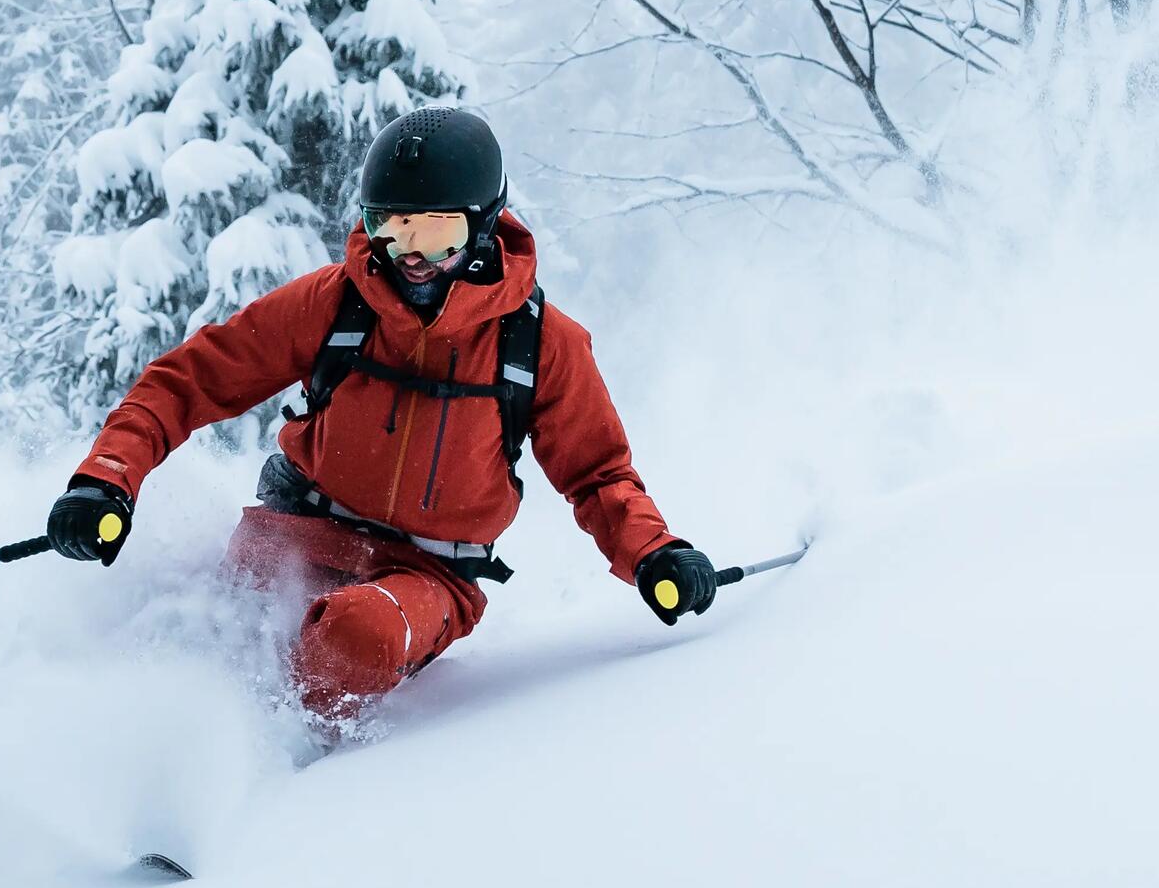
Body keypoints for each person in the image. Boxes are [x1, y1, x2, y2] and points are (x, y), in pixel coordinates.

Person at [46, 106, 716, 725]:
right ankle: (133, 776)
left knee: (352, 640)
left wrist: (655, 554)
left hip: (425, 575)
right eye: (391, 230)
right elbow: (186, 383)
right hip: (294, 535)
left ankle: (282, 781)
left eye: (436, 233)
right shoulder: (336, 305)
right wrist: (105, 480)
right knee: (185, 634)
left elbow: (598, 474)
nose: (412, 258)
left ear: (483, 225)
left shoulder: (538, 344)